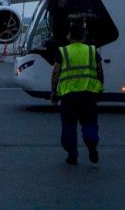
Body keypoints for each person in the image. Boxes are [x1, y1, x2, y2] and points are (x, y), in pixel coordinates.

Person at [51, 23, 104, 165]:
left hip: (69, 96)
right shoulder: (92, 51)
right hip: (89, 95)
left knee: (69, 126)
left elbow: (56, 72)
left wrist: (54, 92)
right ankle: (92, 146)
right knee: (89, 123)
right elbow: (99, 71)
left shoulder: (63, 51)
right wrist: (99, 89)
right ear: (83, 36)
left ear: (69, 36)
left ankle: (72, 154)